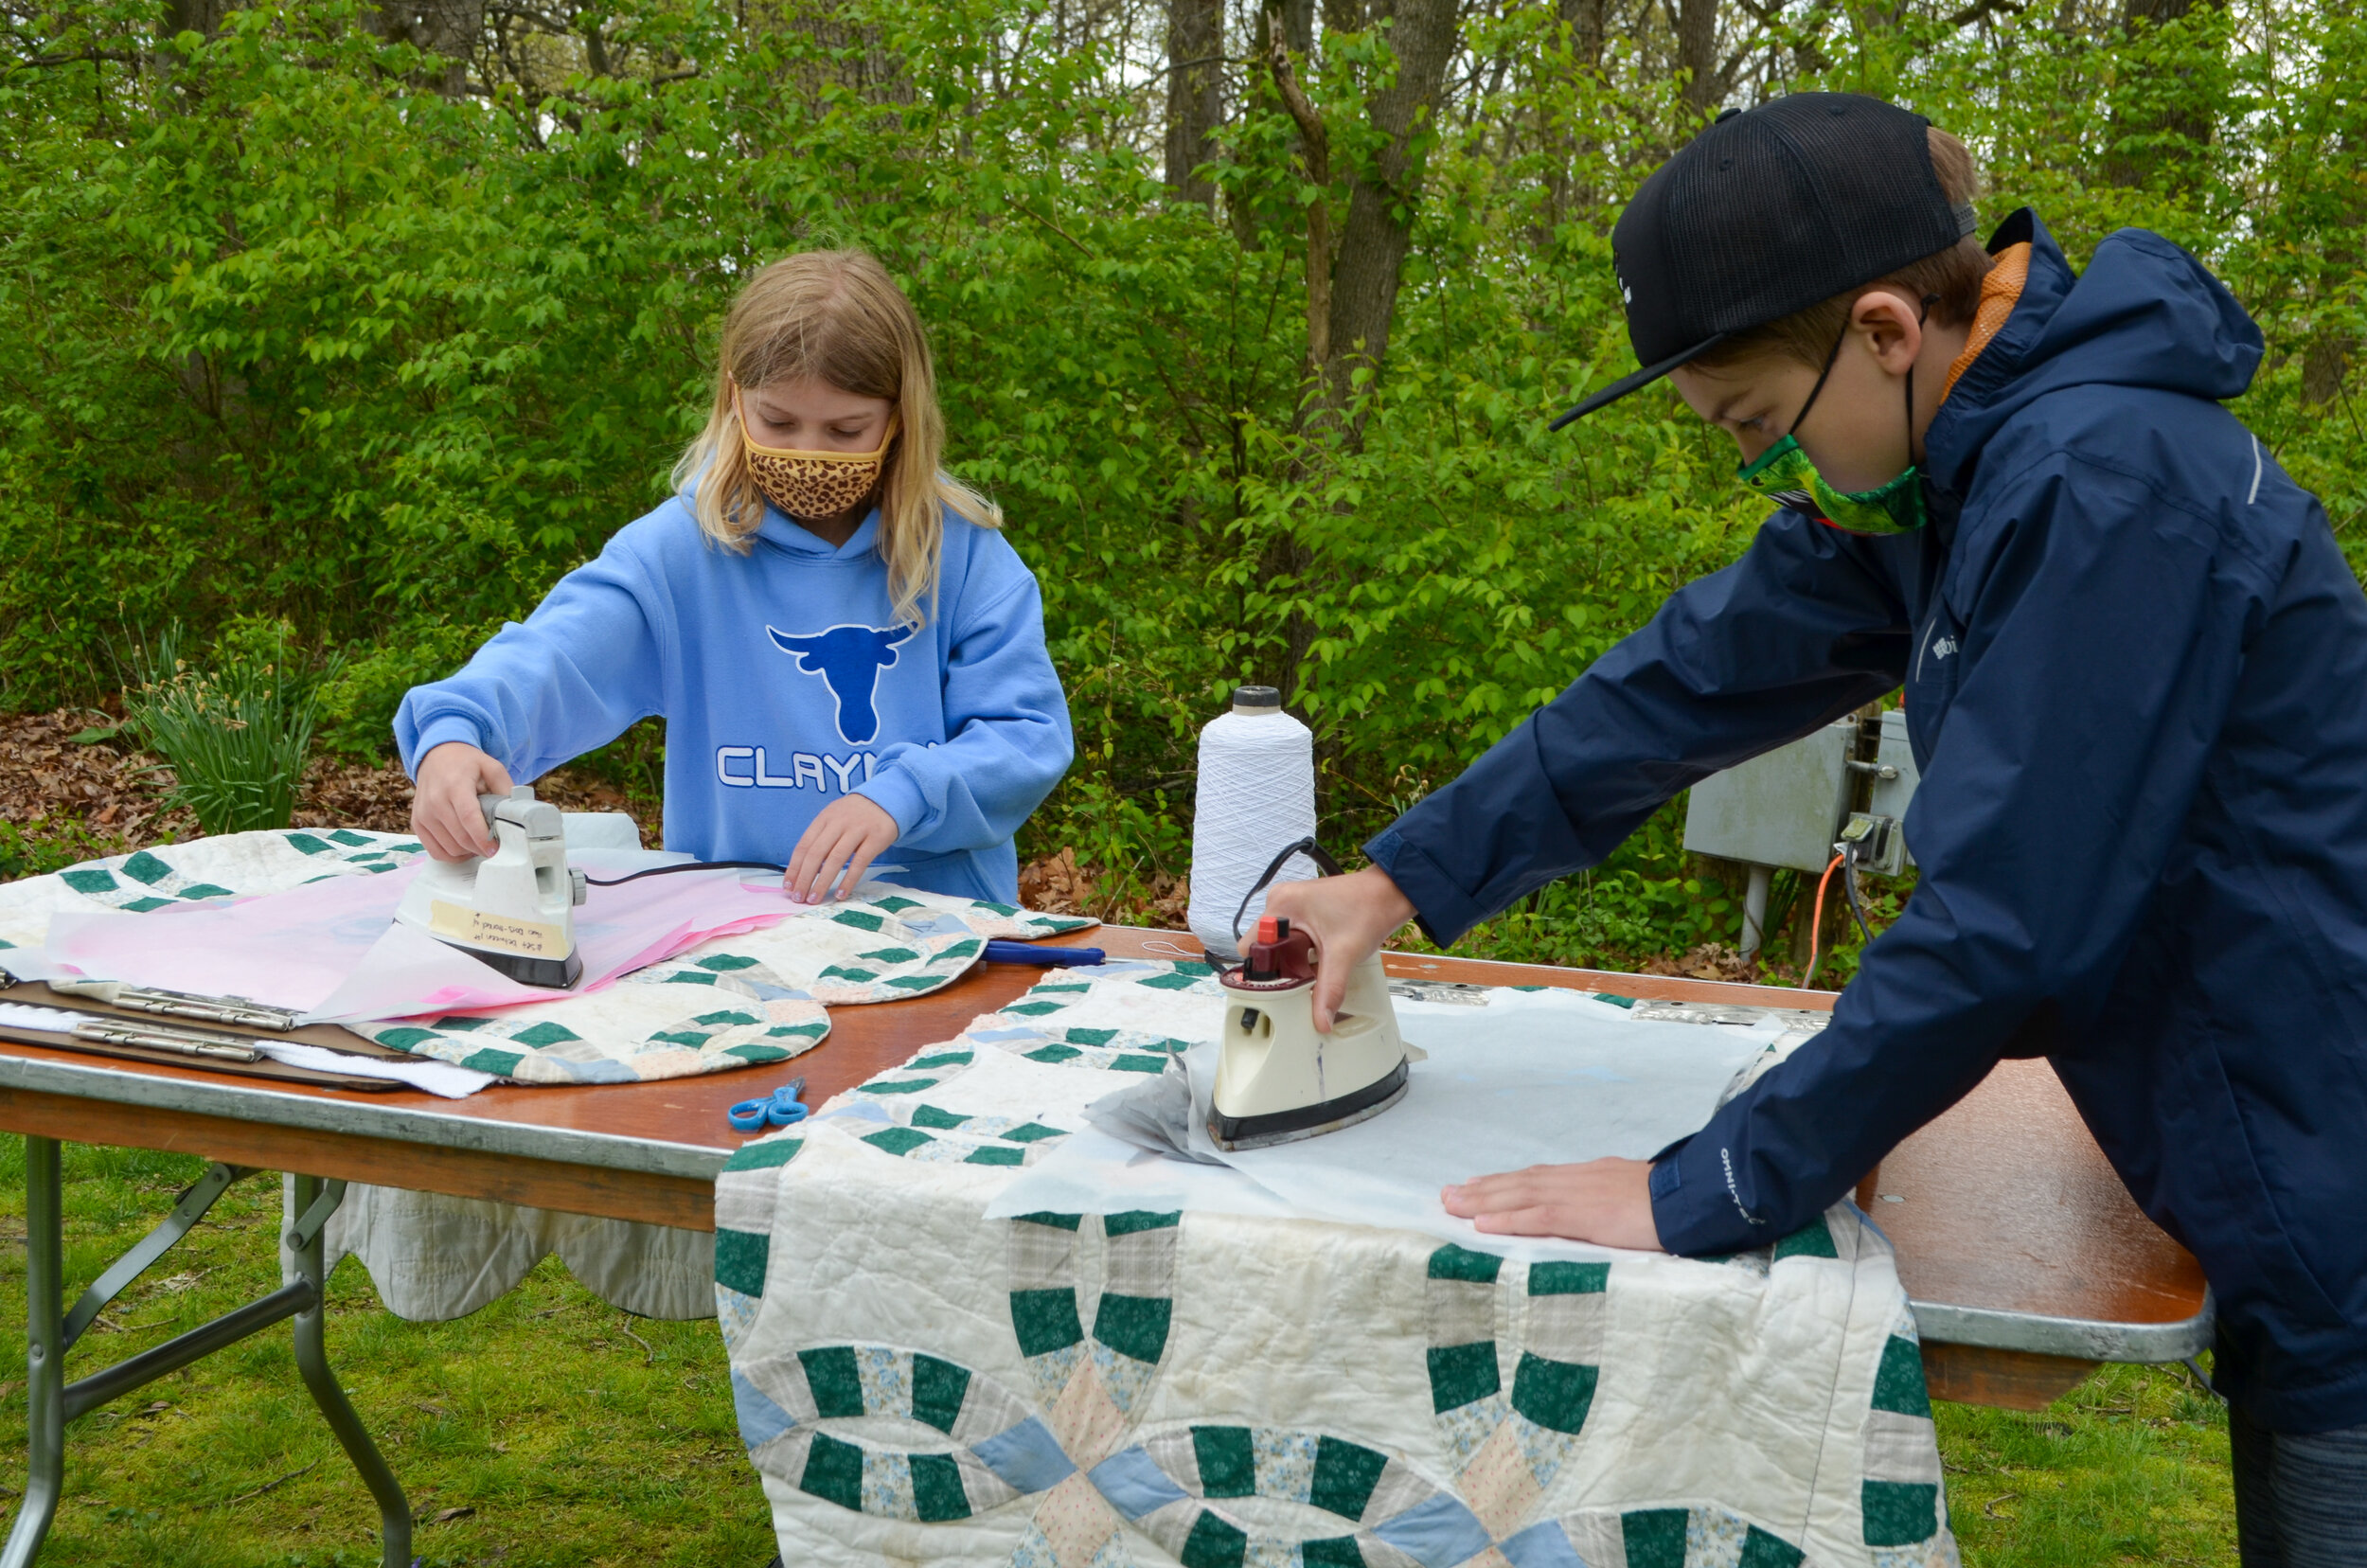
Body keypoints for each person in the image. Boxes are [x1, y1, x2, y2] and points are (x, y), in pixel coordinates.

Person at [1266, 93, 2367, 1561]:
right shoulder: (1953, 480)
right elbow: (1683, 680)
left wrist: (1709, 1184)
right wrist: (1397, 878)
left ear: (1885, 333)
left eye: (1760, 427)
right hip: (2278, 1169)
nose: (1758, 473)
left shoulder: (2102, 486)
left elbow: (2008, 926)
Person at [400, 247, 1073, 904]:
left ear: (901, 417)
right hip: (738, 937)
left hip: (941, 936)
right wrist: (455, 735)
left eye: (845, 430)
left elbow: (1025, 734)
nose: (808, 452)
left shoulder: (963, 558)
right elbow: (554, 657)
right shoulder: (681, 552)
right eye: (777, 420)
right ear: (734, 400)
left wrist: (904, 795)